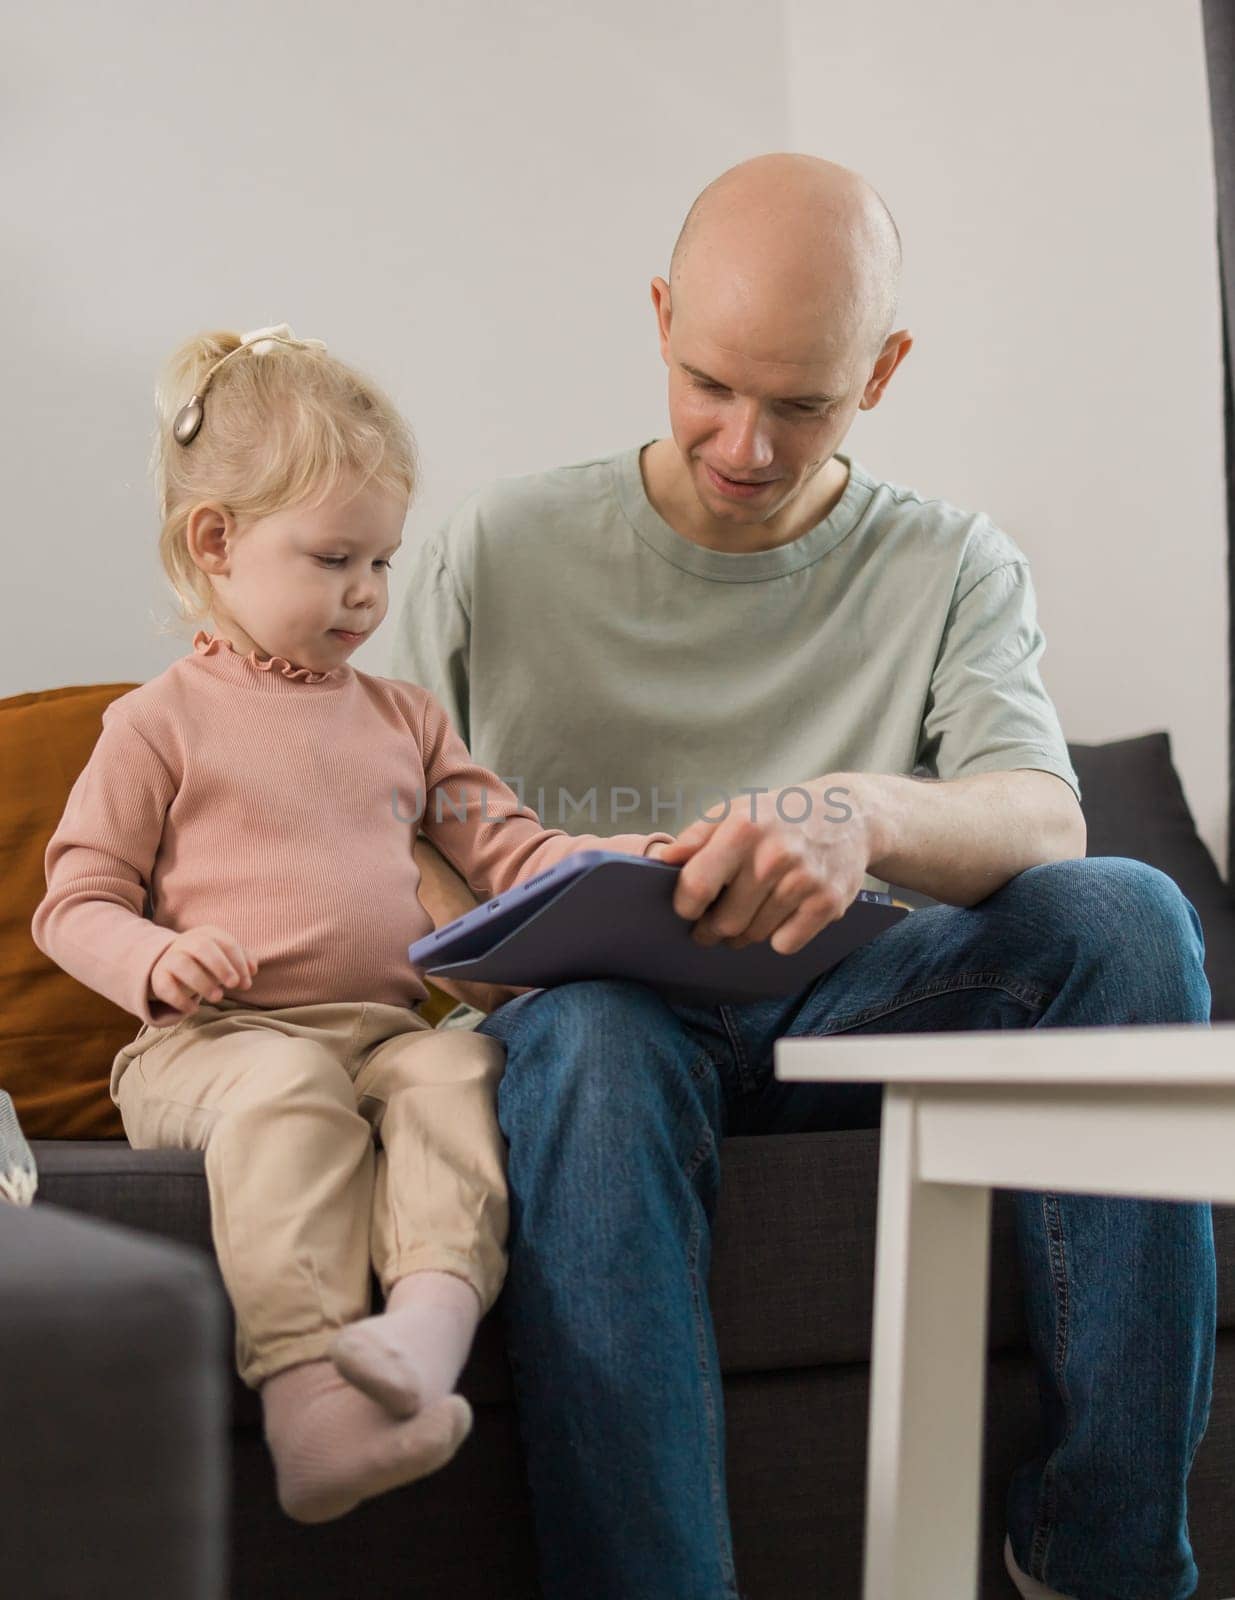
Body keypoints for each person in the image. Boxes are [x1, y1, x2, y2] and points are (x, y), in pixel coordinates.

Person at [392, 156, 1216, 1600]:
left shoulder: (951, 561)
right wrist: (495, 924)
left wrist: (853, 813)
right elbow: (382, 830)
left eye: (800, 404)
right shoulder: (493, 552)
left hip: (853, 1004)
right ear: (657, 317)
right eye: (708, 383)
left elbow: (1039, 815)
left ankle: (1095, 1561)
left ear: (881, 371)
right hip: (600, 1020)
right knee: (586, 1036)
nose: (744, 447)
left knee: (1128, 915)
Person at [30, 323, 671, 1527]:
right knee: (283, 1090)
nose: (367, 594)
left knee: (458, 1062)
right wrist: (159, 960)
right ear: (213, 543)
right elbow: (75, 902)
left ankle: (425, 1326)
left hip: (379, 1026)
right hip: (207, 1045)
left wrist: (618, 863)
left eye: (381, 560)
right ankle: (309, 1396)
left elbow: (512, 854)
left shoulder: (406, 719)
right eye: (333, 559)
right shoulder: (156, 723)